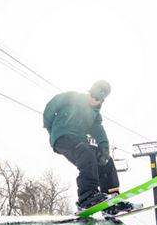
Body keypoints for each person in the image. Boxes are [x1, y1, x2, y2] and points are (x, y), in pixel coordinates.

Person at [43, 80, 133, 213]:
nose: (93, 100)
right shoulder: (73, 98)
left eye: (97, 99)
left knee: (105, 161)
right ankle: (87, 197)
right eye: (92, 95)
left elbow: (99, 131)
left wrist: (104, 149)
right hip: (63, 136)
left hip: (79, 140)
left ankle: (111, 196)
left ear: (102, 101)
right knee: (86, 152)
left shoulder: (95, 116)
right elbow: (51, 106)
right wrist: (51, 130)